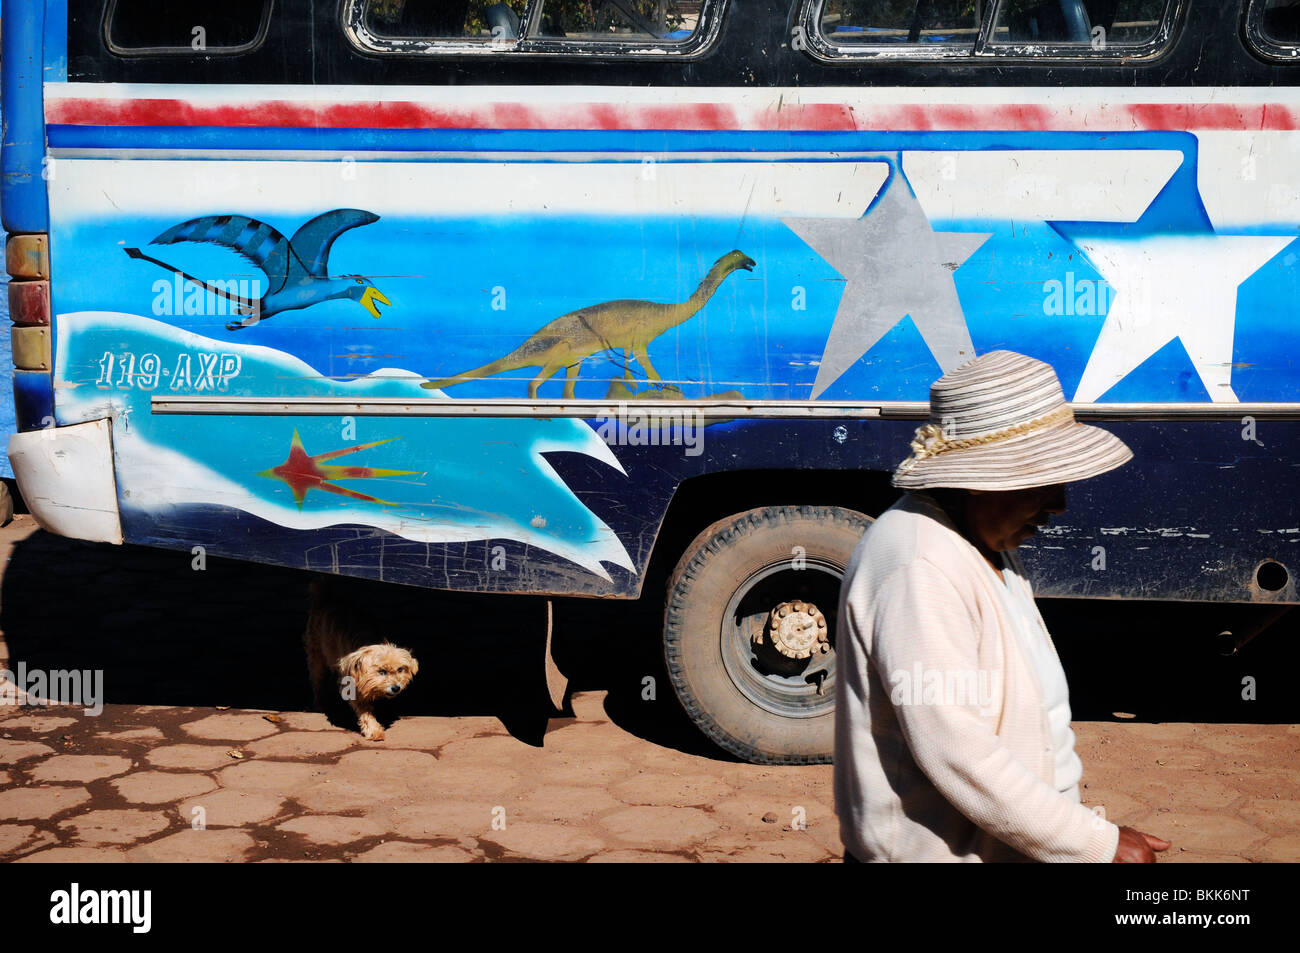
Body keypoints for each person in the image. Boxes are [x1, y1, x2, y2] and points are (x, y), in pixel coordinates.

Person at [834, 350, 1170, 863]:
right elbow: (959, 752)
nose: (1058, 504)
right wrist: (1096, 844)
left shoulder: (988, 544)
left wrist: (1080, 830)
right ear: (976, 480)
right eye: (1041, 483)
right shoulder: (917, 564)